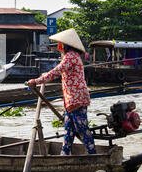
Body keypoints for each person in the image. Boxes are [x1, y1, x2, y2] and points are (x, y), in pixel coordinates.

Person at [26, 28, 96, 156]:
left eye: (60, 44)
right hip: (71, 99)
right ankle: (64, 155)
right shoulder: (72, 56)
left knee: (82, 129)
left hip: (77, 98)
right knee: (68, 131)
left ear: (65, 45)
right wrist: (42, 77)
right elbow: (57, 72)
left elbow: (56, 72)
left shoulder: (71, 56)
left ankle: (94, 155)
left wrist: (37, 80)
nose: (59, 47)